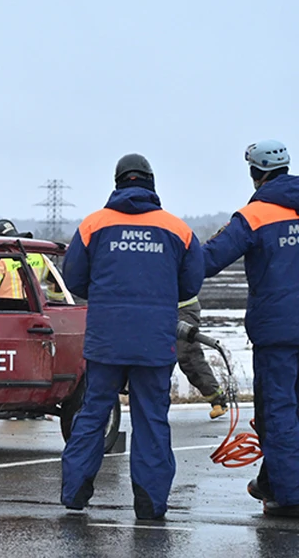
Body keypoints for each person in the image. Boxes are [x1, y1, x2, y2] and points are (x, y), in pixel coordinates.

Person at [60, 153, 203, 520]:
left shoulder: (94, 225)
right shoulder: (178, 229)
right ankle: (150, 504)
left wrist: (108, 296)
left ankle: (75, 494)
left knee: (93, 413)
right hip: (154, 342)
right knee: (152, 419)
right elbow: (190, 283)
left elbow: (73, 277)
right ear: (151, 182)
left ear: (118, 181)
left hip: (106, 339)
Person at [200, 140, 299, 517]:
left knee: (279, 412)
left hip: (277, 332)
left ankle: (288, 498)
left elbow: (209, 260)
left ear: (256, 174)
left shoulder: (255, 215)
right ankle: (273, 482)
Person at [0, 219, 62, 301]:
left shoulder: (0, 258)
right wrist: (55, 301)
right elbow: (58, 280)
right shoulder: (38, 256)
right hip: (35, 309)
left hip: (6, 309)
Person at [176, 296, 228, 419]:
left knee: (188, 355)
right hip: (154, 307)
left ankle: (217, 400)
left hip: (181, 307)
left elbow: (193, 279)